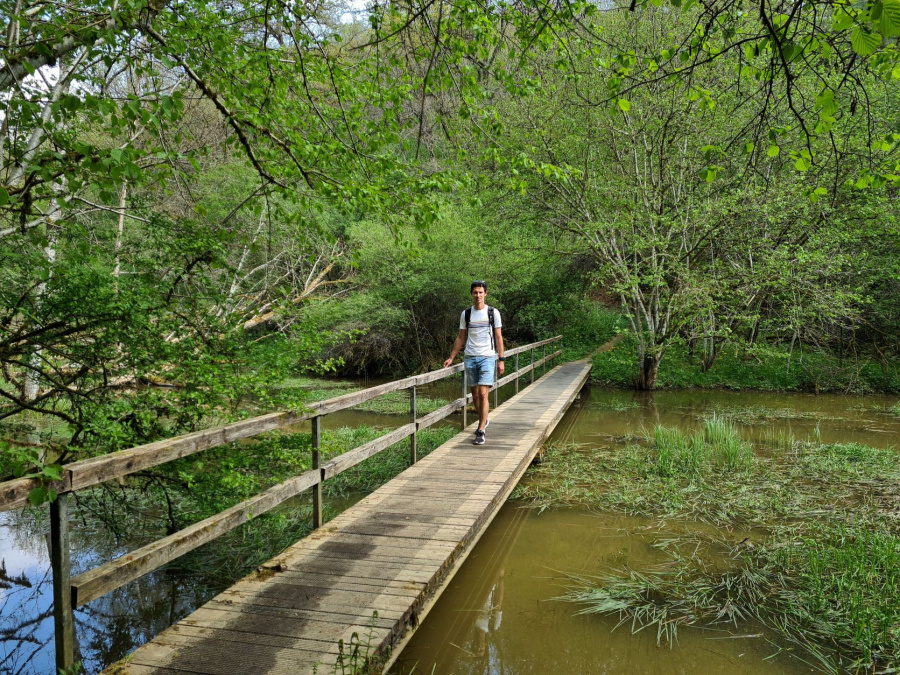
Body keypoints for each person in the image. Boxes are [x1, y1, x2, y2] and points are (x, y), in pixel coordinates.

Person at [443, 280, 505, 445]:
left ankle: (481, 429)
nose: (478, 295)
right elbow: (460, 337)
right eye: (475, 292)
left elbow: (498, 337)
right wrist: (451, 357)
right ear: (471, 294)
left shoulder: (493, 313)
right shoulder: (466, 314)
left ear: (485, 293)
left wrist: (501, 359)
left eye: (480, 292)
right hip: (470, 357)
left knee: (484, 393)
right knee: (475, 395)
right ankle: (484, 419)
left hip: (487, 357)